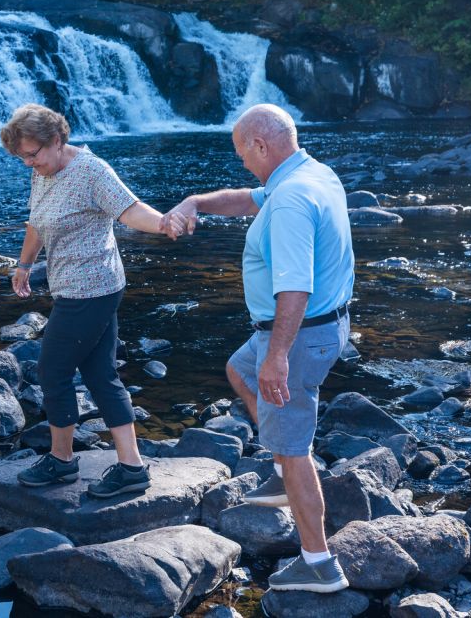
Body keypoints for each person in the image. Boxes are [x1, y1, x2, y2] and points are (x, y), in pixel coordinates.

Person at [164, 103, 353, 594]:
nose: (242, 162)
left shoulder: (290, 202)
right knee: (240, 371)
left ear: (261, 146)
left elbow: (296, 287)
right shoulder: (309, 173)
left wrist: (279, 356)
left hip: (299, 332)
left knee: (294, 448)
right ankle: (278, 468)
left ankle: (319, 562)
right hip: (315, 327)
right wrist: (195, 202)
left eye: (242, 152)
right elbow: (248, 198)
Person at [0, 103, 182, 498]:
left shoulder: (91, 171)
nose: (30, 164)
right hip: (72, 285)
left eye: (33, 155)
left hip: (92, 288)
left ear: (57, 140)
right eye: (22, 158)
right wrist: (24, 264)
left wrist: (164, 223)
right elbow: (37, 219)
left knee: (52, 371)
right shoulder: (44, 172)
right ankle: (132, 466)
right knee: (101, 374)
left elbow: (129, 210)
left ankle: (62, 462)